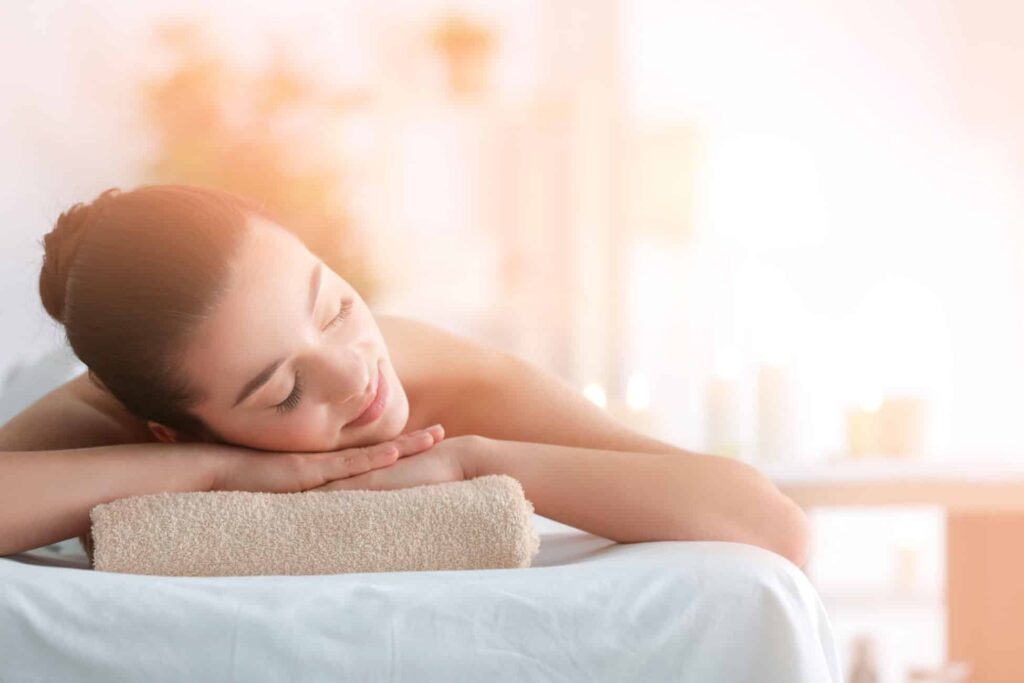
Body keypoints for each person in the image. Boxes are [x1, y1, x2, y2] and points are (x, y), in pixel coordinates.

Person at [0, 184, 809, 565]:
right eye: (283, 392)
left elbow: (770, 521)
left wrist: (480, 460)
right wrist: (210, 468)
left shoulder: (450, 376)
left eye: (334, 306)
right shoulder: (112, 414)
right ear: (168, 428)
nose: (354, 375)